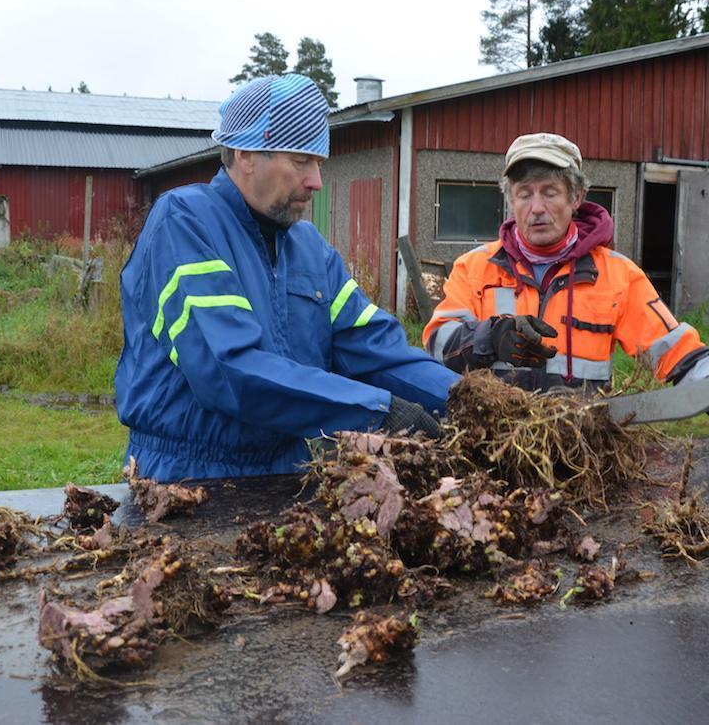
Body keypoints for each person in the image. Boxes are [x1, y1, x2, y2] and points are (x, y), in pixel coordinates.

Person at [115, 74, 456, 481]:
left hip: (285, 473)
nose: (316, 180)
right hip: (188, 474)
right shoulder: (185, 223)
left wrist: (468, 401)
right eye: (300, 160)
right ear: (245, 153)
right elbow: (228, 369)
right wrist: (376, 411)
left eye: (318, 162)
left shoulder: (308, 248)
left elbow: (376, 351)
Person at [423, 132, 709, 445]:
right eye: (525, 193)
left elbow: (676, 351)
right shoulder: (475, 267)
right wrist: (494, 335)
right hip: (490, 444)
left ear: (575, 198)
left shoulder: (617, 275)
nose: (536, 207)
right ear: (511, 201)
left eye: (550, 192)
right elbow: (438, 342)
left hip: (582, 451)